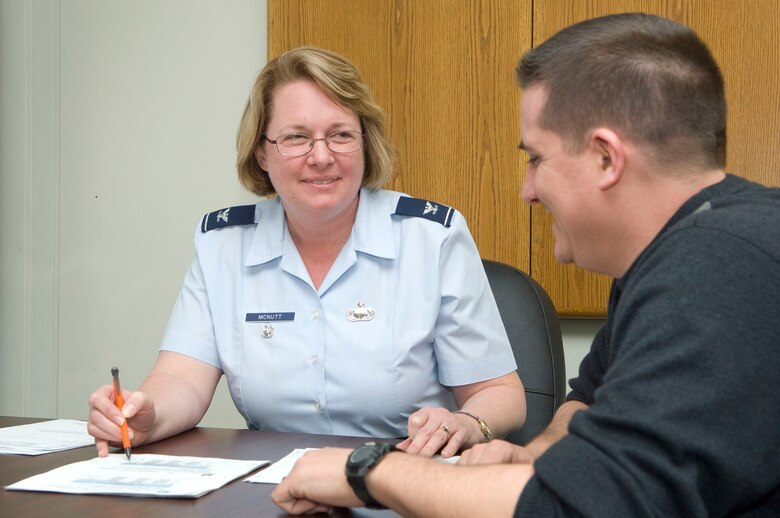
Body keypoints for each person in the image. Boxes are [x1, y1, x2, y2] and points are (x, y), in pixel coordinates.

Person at [272, 13, 780, 517]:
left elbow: (591, 507)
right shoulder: (677, 252)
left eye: (536, 159)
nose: (528, 191)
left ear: (606, 158)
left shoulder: (716, 270)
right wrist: (535, 457)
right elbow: (588, 402)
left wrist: (368, 472)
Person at [87, 47, 525, 459]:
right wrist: (146, 418)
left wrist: (466, 423)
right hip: (272, 482)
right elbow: (181, 378)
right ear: (261, 152)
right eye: (296, 138)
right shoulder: (224, 244)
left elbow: (500, 392)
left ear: (365, 143)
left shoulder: (431, 238)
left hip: (402, 475)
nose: (321, 157)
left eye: (340, 135)